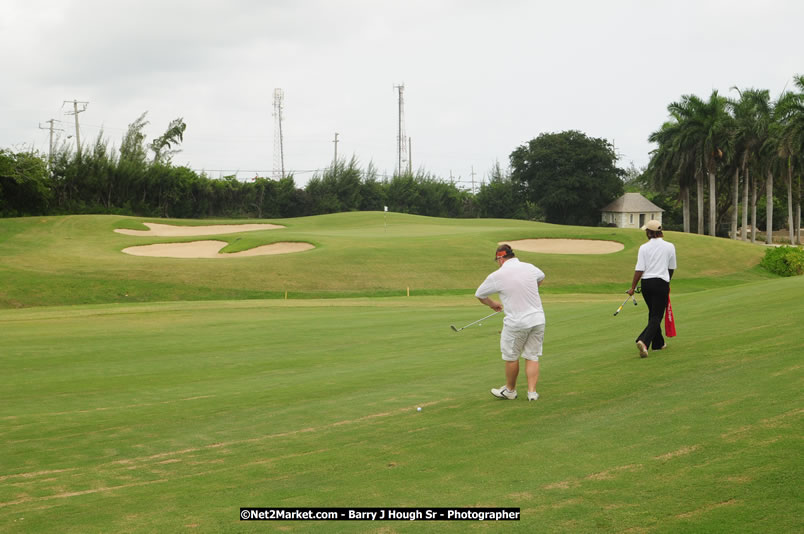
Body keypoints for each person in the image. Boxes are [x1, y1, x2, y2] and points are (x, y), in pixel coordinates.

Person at [475, 244, 546, 401]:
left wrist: (492, 304)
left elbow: (479, 294)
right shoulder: (529, 267)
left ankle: (510, 390)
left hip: (517, 322)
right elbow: (541, 277)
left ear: (500, 258)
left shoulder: (497, 275)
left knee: (511, 357)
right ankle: (532, 393)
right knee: (532, 356)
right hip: (538, 319)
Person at [627, 220, 677, 358]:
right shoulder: (670, 246)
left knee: (653, 313)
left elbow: (639, 269)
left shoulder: (644, 248)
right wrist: (667, 282)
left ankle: (658, 343)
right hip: (661, 283)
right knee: (656, 315)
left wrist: (632, 287)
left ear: (650, 232)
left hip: (646, 284)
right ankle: (643, 340)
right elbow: (671, 268)